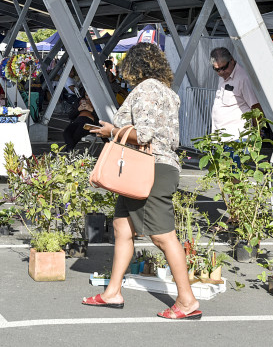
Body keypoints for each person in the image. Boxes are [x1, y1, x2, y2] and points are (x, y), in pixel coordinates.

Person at [84, 42, 200, 320]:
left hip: (149, 169)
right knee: (122, 228)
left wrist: (112, 131)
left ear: (135, 66)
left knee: (163, 236)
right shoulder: (168, 93)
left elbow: (145, 134)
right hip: (152, 168)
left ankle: (187, 301)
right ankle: (113, 292)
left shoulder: (147, 88)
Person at [210, 47, 261, 140]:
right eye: (217, 69)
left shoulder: (243, 78)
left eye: (223, 68)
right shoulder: (223, 76)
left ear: (232, 60)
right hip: (221, 137)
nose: (221, 72)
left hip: (238, 138)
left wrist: (256, 133)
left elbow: (256, 107)